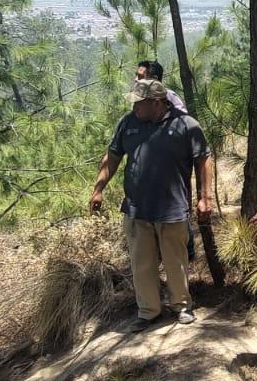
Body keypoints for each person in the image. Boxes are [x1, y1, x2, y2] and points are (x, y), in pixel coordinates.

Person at [90, 78, 213, 327]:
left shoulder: (185, 125)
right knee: (141, 264)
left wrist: (205, 197)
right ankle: (148, 311)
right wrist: (98, 189)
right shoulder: (128, 123)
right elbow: (112, 156)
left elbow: (203, 159)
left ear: (157, 103)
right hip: (137, 208)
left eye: (140, 102)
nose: (134, 106)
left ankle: (181, 306)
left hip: (172, 208)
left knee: (175, 261)